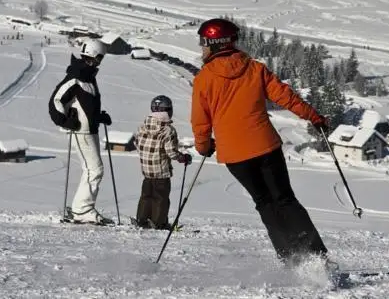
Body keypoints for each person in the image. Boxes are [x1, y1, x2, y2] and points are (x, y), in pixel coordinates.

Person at [190, 18, 330, 266]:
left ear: (213, 43)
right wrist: (313, 117)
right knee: (285, 199)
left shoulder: (204, 79)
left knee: (265, 203)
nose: (201, 49)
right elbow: (285, 96)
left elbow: (201, 121)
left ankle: (290, 259)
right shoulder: (255, 69)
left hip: (235, 156)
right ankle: (316, 256)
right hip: (265, 146)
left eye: (203, 43)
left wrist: (204, 147)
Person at [48, 39, 113, 225]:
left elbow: (86, 106)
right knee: (95, 169)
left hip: (89, 130)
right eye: (99, 57)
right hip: (81, 132)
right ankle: (82, 210)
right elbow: (55, 101)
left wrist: (99, 117)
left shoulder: (89, 77)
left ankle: (81, 208)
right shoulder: (76, 77)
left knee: (92, 169)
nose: (100, 61)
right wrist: (66, 122)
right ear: (93, 55)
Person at [134, 95, 192, 230]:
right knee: (160, 197)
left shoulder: (142, 127)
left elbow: (137, 144)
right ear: (168, 110)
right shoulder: (167, 130)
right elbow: (171, 152)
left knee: (146, 195)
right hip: (161, 171)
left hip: (147, 170)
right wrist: (183, 158)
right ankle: (159, 222)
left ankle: (142, 220)